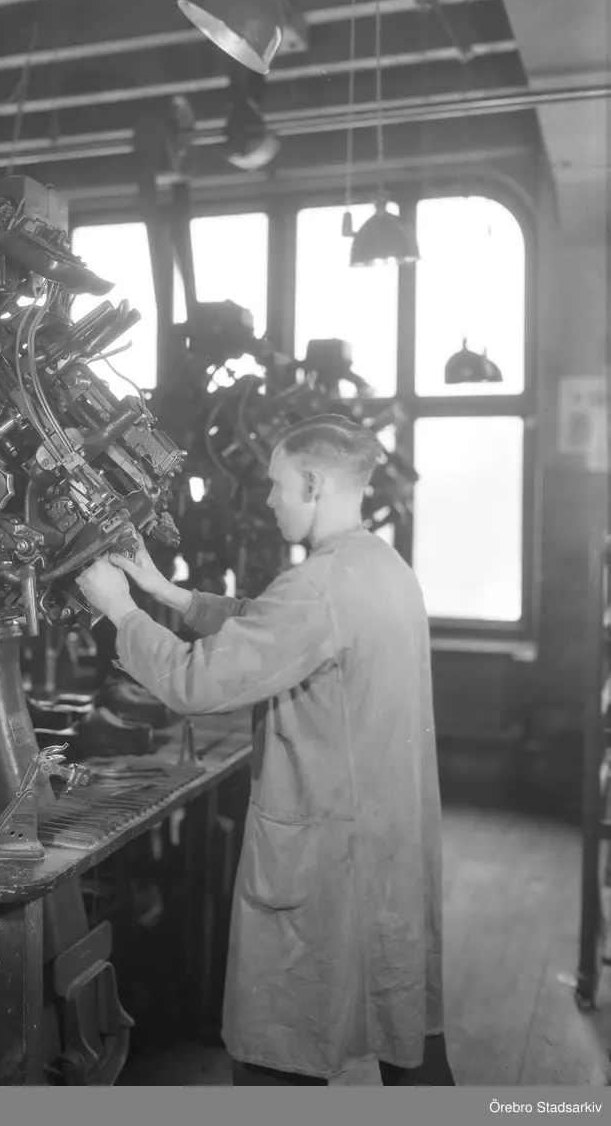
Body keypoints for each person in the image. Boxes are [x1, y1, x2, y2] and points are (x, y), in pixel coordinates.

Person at [76, 413, 455, 1087]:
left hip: (324, 854)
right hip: (379, 840)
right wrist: (164, 591)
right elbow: (272, 624)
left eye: (278, 485)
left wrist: (121, 611)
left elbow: (196, 684)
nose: (270, 499)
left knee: (275, 1053)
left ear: (312, 483)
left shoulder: (316, 586)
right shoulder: (380, 568)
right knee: (405, 1044)